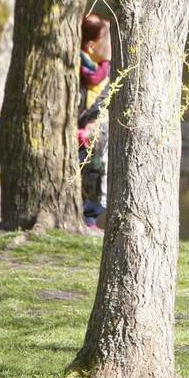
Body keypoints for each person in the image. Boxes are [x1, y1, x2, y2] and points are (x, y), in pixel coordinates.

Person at [79, 13, 111, 229]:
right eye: (107, 40)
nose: (112, 46)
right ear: (91, 45)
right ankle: (82, 216)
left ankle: (90, 217)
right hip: (77, 138)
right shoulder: (73, 69)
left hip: (98, 141)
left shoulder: (108, 72)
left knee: (97, 173)